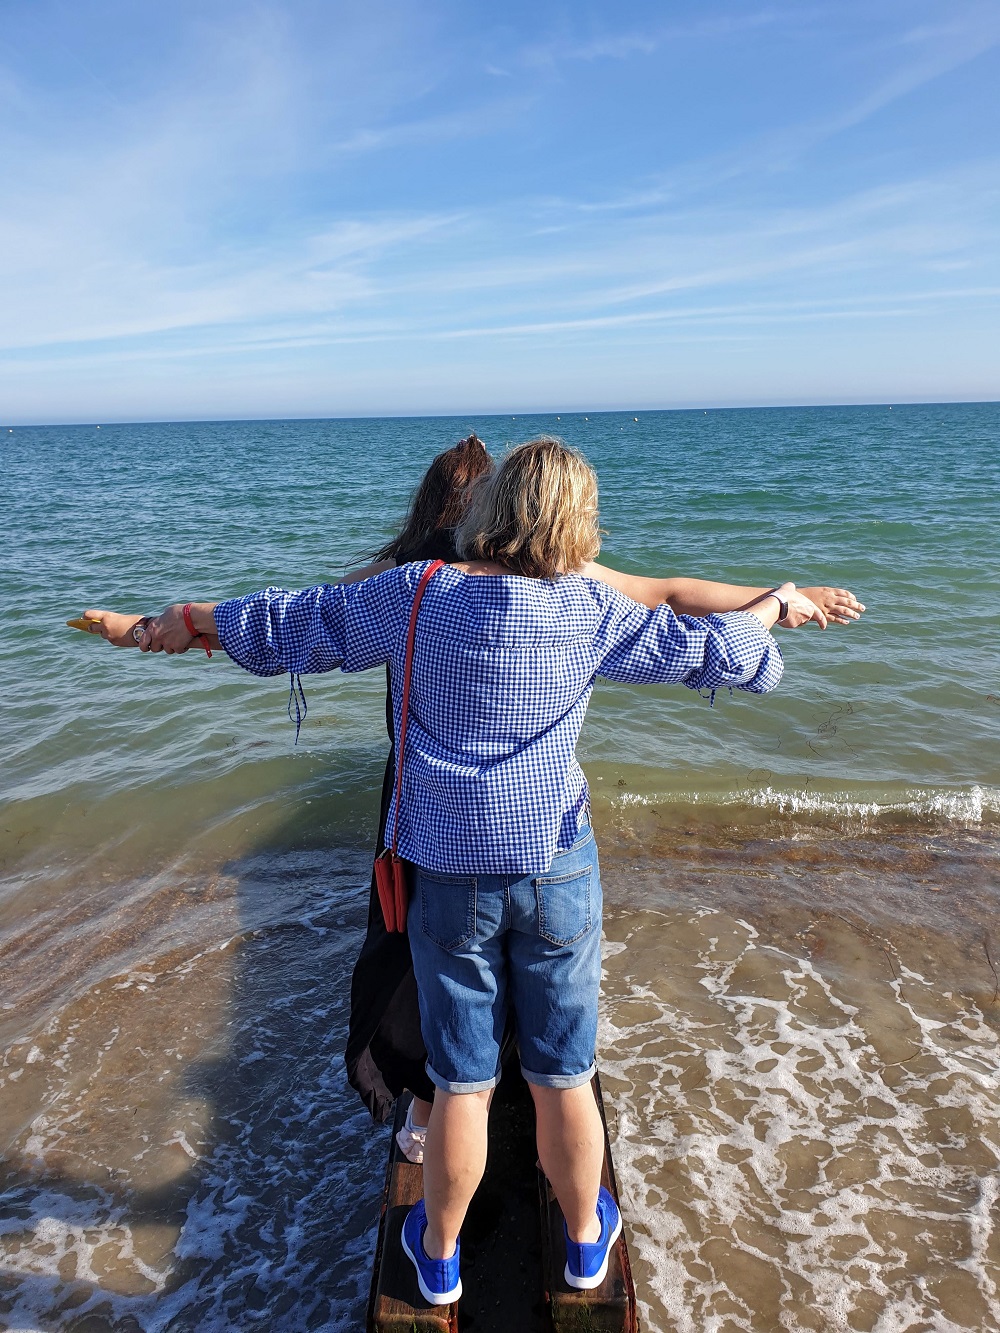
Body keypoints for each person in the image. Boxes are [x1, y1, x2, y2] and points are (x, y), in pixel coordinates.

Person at [84, 438, 841, 1305]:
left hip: (447, 874)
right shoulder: (589, 605)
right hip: (555, 868)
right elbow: (719, 653)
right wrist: (775, 610)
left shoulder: (414, 595)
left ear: (489, 509)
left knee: (462, 1082)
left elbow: (298, 620)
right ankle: (587, 1243)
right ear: (577, 523)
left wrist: (192, 617)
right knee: (561, 1073)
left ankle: (437, 1255)